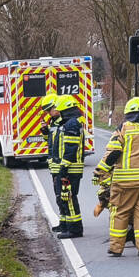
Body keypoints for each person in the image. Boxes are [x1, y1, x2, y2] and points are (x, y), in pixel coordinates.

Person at [93, 97, 139, 257]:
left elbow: (113, 153)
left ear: (128, 113)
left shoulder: (124, 128)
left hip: (125, 182)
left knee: (120, 212)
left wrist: (100, 171)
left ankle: (116, 248)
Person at [53, 94, 86, 239]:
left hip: (71, 169)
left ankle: (75, 230)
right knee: (67, 198)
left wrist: (64, 167)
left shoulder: (71, 124)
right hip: (71, 168)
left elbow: (71, 148)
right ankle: (68, 226)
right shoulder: (71, 123)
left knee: (69, 198)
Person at [39, 92, 65, 234]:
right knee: (58, 196)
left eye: (50, 110)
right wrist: (45, 131)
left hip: (60, 165)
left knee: (62, 196)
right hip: (54, 165)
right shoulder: (53, 122)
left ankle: (67, 223)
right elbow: (49, 141)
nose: (48, 113)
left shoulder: (62, 122)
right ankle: (63, 222)